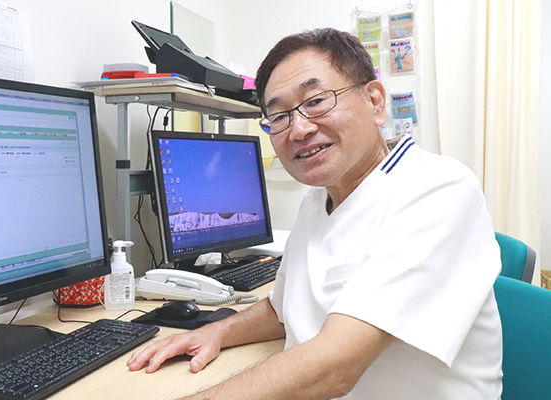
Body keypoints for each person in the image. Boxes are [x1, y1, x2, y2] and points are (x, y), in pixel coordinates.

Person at [127, 28, 503, 400]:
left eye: (317, 101)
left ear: (375, 102)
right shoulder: (318, 199)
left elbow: (336, 367)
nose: (300, 129)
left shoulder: (436, 188)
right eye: (279, 116)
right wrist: (216, 332)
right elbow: (284, 308)